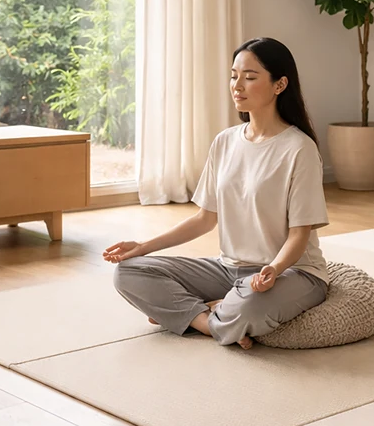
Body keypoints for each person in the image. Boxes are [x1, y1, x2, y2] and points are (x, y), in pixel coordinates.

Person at [104, 37, 330, 350]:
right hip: (229, 269)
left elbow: (299, 235)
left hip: (291, 273)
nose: (238, 85)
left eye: (250, 78)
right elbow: (203, 220)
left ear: (280, 85)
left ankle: (197, 311)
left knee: (248, 304)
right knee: (128, 273)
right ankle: (210, 320)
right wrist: (142, 247)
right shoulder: (225, 142)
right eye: (234, 76)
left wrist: (273, 270)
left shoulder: (299, 149)